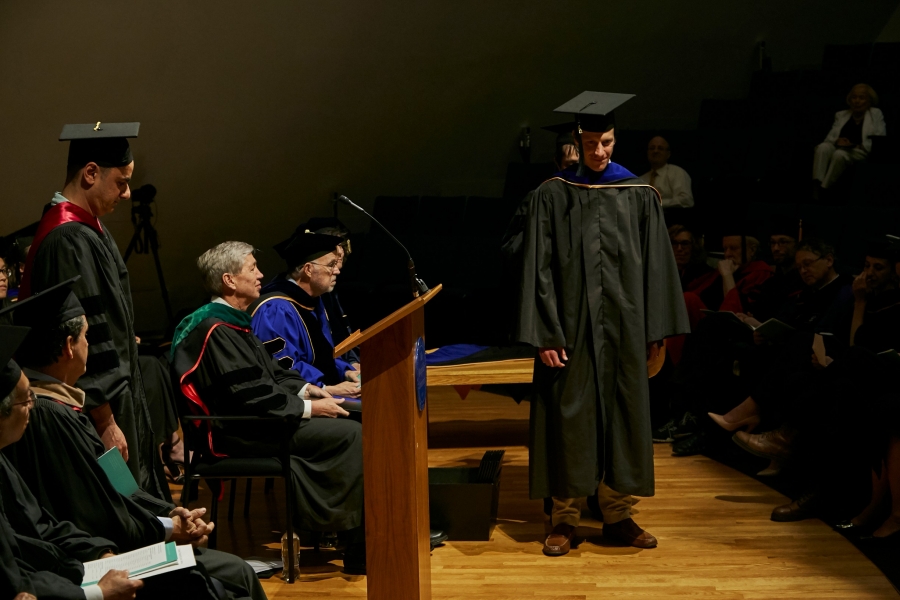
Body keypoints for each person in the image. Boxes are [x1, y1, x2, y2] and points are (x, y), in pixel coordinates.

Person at [1, 279, 266, 599]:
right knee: (236, 574)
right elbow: (95, 512)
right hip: (106, 553)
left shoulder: (66, 407)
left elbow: (121, 487)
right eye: (87, 336)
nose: (90, 345)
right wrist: (166, 529)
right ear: (70, 345)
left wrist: (171, 514)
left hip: (122, 539)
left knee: (233, 573)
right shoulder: (48, 415)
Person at [513, 91, 690, 556]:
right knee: (569, 418)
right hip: (569, 330)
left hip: (625, 330)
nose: (599, 152)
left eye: (606, 142)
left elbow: (657, 266)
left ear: (616, 139)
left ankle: (617, 513)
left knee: (624, 417)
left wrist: (655, 332)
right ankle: (565, 517)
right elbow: (538, 269)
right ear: (577, 141)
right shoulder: (553, 195)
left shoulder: (638, 194)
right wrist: (544, 332)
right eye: (591, 143)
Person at [170, 241, 368, 574]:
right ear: (229, 280)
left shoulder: (234, 322)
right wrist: (310, 409)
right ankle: (356, 544)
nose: (261, 274)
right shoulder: (214, 328)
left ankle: (367, 524)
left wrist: (312, 390)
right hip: (240, 430)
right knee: (350, 434)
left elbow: (273, 374)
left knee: (360, 414)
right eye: (252, 268)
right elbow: (250, 394)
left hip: (261, 418)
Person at [19, 122, 167, 501]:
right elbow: (86, 331)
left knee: (135, 501)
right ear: (90, 173)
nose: (127, 193)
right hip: (98, 406)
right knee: (120, 499)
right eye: (121, 182)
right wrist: (105, 420)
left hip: (111, 397)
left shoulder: (87, 227)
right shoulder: (68, 237)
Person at [250, 228, 361, 398]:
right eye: (331, 265)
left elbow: (323, 355)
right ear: (308, 269)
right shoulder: (275, 309)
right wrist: (325, 387)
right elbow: (283, 366)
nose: (337, 270)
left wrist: (345, 371)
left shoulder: (313, 300)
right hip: (297, 399)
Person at [813, 83, 886, 193]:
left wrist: (857, 146)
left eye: (861, 98)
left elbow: (880, 138)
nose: (857, 101)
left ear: (869, 101)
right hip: (840, 147)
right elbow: (829, 138)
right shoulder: (841, 115)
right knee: (822, 147)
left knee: (839, 154)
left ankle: (824, 188)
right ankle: (816, 183)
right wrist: (837, 140)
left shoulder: (875, 114)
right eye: (854, 97)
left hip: (860, 150)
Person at [640, 136, 694, 209]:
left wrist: (656, 203)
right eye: (652, 148)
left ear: (668, 154)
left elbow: (686, 200)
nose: (655, 151)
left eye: (660, 148)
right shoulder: (641, 179)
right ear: (647, 153)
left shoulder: (677, 173)